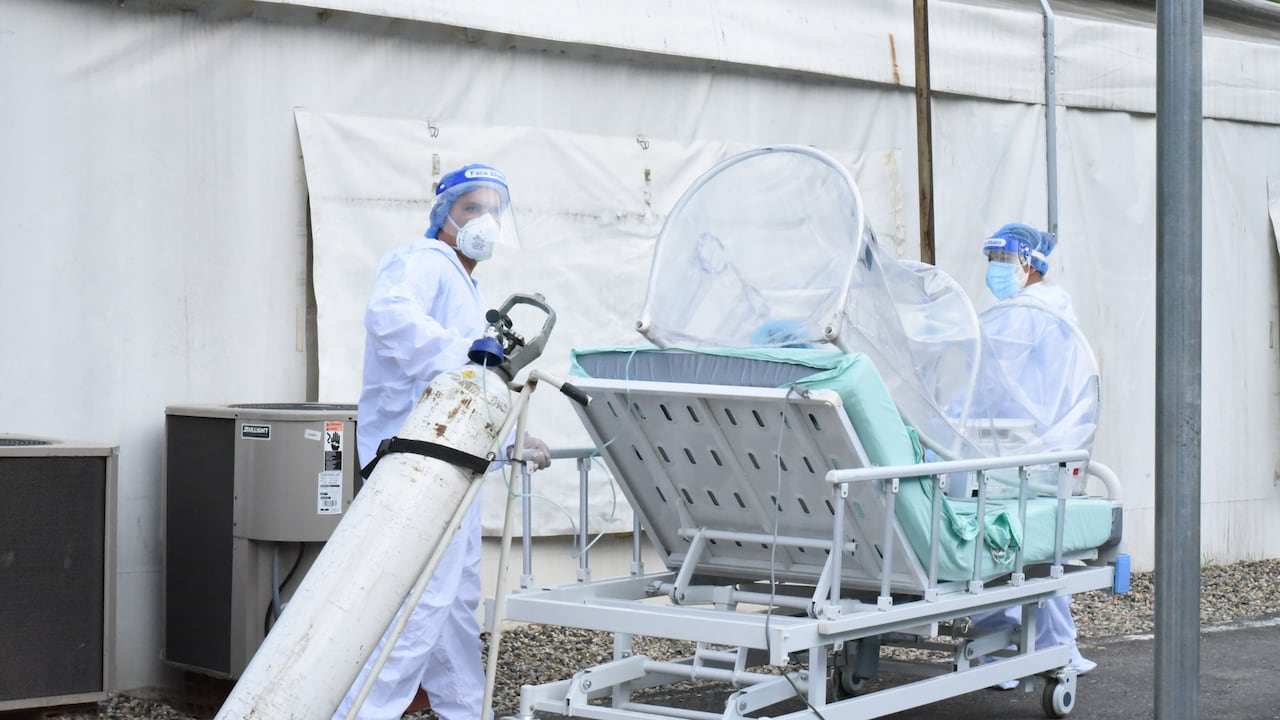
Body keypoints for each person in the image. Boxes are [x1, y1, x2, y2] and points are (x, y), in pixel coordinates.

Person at [335, 163, 549, 720]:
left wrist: (508, 444)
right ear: (443, 215)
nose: (485, 222)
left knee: (455, 609)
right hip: (414, 465)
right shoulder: (421, 261)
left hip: (450, 465)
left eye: (493, 212)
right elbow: (390, 319)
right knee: (418, 607)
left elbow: (461, 396)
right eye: (471, 209)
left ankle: (464, 712)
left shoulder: (465, 284)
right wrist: (467, 352)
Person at [971, 222, 1097, 689]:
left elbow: (987, 376)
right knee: (1031, 557)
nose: (995, 271)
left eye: (1003, 261)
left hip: (1030, 450)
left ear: (1030, 264)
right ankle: (1045, 646)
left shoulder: (1028, 315)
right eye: (991, 261)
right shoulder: (1043, 312)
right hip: (1031, 448)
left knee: (1002, 547)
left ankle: (1006, 647)